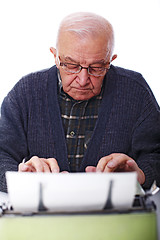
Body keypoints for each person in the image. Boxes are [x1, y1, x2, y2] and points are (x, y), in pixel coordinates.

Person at [0, 12, 160, 193]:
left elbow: (155, 156)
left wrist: (141, 175)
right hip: (42, 215)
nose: (83, 79)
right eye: (71, 65)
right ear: (55, 56)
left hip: (114, 216)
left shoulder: (135, 91)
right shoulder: (25, 92)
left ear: (111, 60)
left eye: (97, 68)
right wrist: (22, 179)